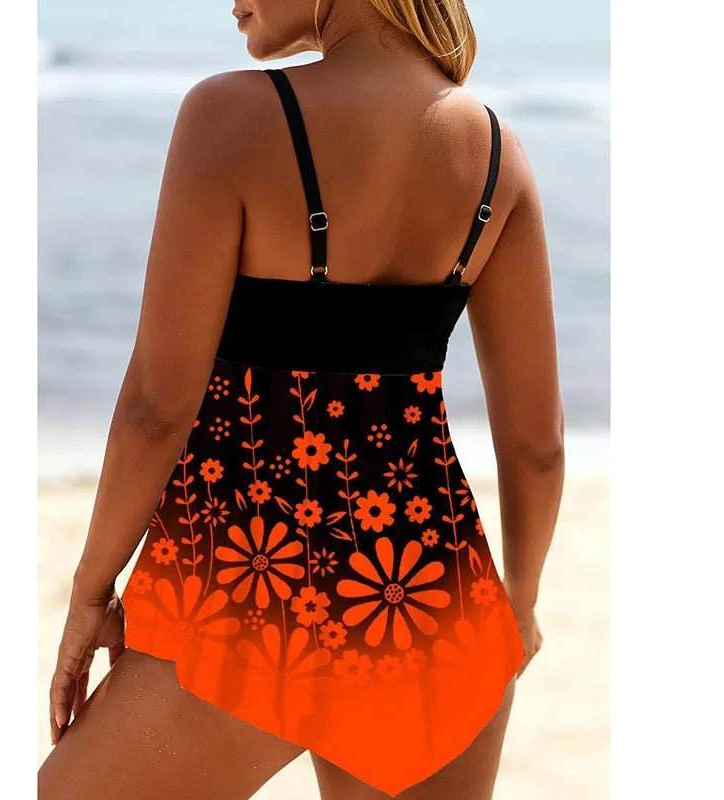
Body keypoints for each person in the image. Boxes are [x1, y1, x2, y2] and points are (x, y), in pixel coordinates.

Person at [39, 1, 564, 798]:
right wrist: (516, 607)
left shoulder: (230, 117)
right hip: (433, 604)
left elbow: (156, 405)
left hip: (250, 590)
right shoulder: (498, 155)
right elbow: (536, 446)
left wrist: (91, 589)